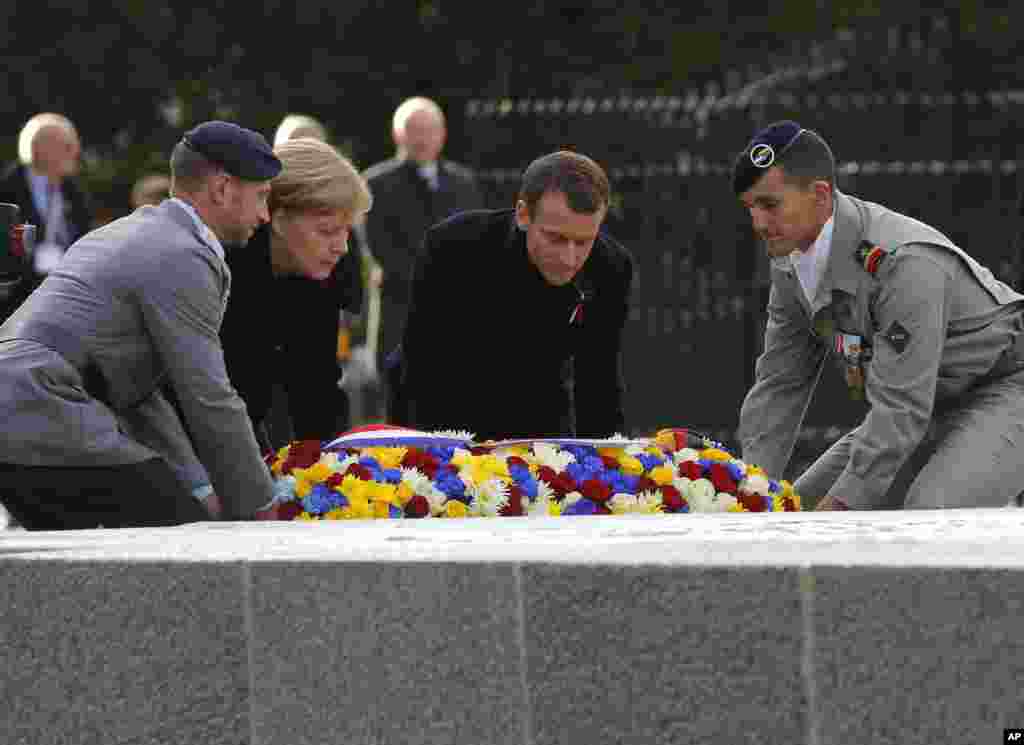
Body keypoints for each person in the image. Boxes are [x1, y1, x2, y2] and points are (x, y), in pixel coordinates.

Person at [0, 120, 283, 528]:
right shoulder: (184, 254)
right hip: (41, 408)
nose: (264, 214)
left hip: (25, 408)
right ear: (222, 189)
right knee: (186, 544)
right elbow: (207, 395)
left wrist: (201, 488)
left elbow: (138, 395)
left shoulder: (125, 233)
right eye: (261, 196)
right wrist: (261, 505)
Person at [734, 120, 1024, 511]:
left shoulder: (903, 263)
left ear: (820, 195)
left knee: (928, 519)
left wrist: (842, 504)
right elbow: (779, 385)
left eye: (770, 205)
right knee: (793, 511)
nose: (758, 224)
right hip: (925, 402)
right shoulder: (790, 264)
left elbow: (901, 409)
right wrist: (750, 491)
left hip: (1005, 386)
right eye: (751, 208)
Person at [394, 149, 633, 440]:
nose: (569, 259)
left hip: (541, 412)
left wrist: (605, 465)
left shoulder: (611, 266)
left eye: (584, 242)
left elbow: (599, 378)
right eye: (555, 238)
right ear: (523, 214)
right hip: (449, 406)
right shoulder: (454, 247)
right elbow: (422, 362)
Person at [218, 136, 372, 451]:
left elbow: (318, 390)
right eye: (327, 231)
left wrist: (335, 473)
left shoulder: (317, 274)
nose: (341, 247)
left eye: (347, 231)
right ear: (276, 216)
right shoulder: (217, 271)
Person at [361, 96, 485, 395]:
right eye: (414, 130)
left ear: (442, 135)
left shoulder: (463, 182)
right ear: (397, 134)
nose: (422, 138)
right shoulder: (376, 184)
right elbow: (379, 247)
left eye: (429, 130)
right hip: (399, 310)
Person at [0, 113, 93, 277]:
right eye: (67, 146)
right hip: (20, 293)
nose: (75, 152)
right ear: (38, 148)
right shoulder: (7, 190)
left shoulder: (74, 192)